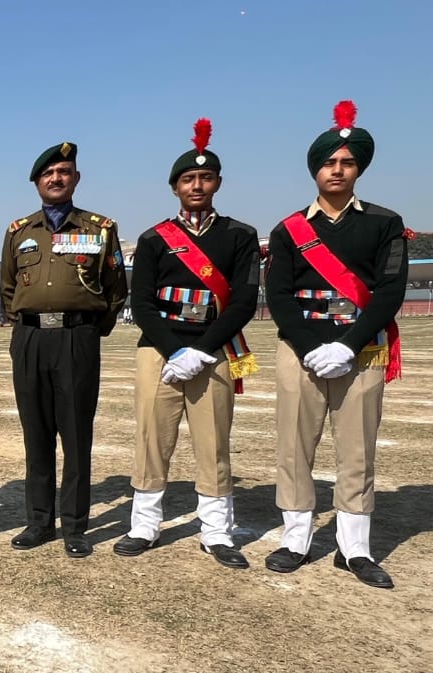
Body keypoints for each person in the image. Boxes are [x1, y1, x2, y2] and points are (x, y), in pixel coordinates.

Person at [264, 100, 408, 588]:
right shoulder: (289, 229)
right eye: (329, 162)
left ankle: (355, 548)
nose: (338, 170)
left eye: (347, 162)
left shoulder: (384, 223)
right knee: (294, 446)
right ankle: (296, 538)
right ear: (315, 169)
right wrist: (309, 347)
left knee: (357, 450)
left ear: (359, 168)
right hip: (300, 350)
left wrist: (348, 344)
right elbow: (278, 296)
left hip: (361, 351)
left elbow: (389, 290)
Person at [112, 119, 260, 569]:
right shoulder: (156, 238)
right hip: (159, 352)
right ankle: (144, 524)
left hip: (213, 353)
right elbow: (141, 302)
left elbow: (243, 302)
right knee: (151, 439)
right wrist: (175, 350)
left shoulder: (239, 236)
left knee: (213, 442)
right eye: (188, 179)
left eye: (205, 177)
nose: (197, 185)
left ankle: (216, 532)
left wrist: (200, 350)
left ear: (217, 183)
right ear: (175, 187)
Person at [0, 142, 128, 558]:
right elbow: (7, 288)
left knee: (75, 435)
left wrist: (89, 330)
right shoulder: (19, 231)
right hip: (31, 339)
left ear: (76, 177)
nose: (56, 178)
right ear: (37, 181)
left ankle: (75, 526)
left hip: (77, 340)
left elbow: (115, 290)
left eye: (64, 171)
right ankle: (38, 521)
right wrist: (27, 327)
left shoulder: (99, 229)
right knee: (35, 436)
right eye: (48, 173)